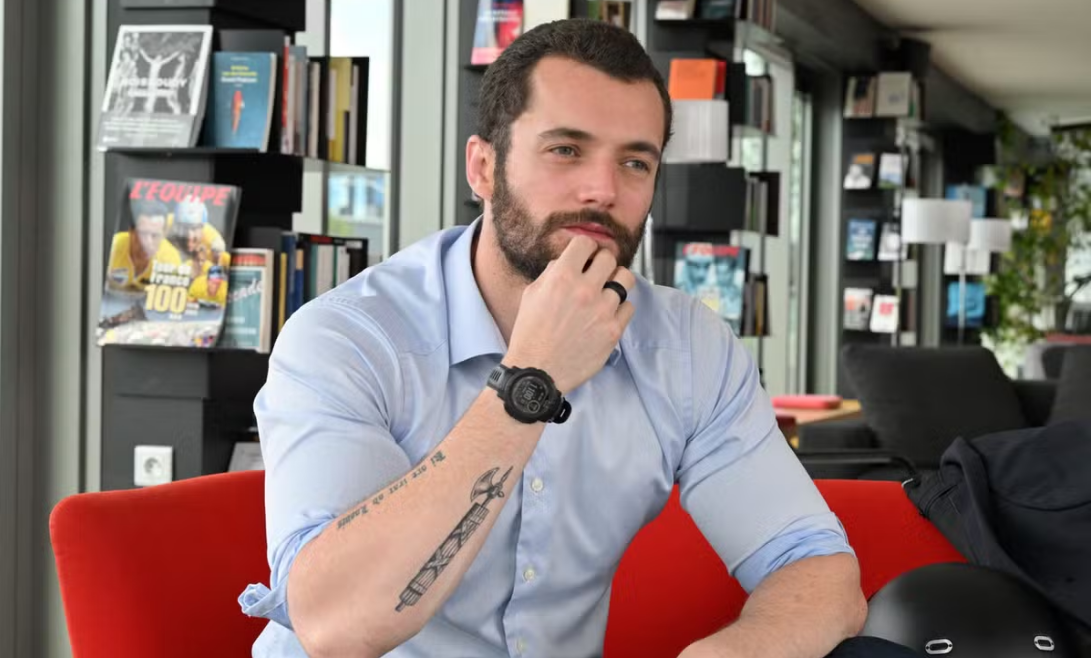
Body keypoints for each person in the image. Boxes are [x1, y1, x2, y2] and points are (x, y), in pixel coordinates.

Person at [239, 19, 917, 658]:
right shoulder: (349, 338)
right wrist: (529, 381)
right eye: (566, 150)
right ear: (483, 168)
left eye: (635, 163)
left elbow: (813, 566)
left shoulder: (685, 346)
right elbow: (334, 623)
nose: (602, 189)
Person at [104, 198, 182, 292]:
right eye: (142, 234)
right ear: (131, 231)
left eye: (155, 235)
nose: (147, 243)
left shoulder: (171, 261)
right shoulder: (112, 246)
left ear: (163, 235)